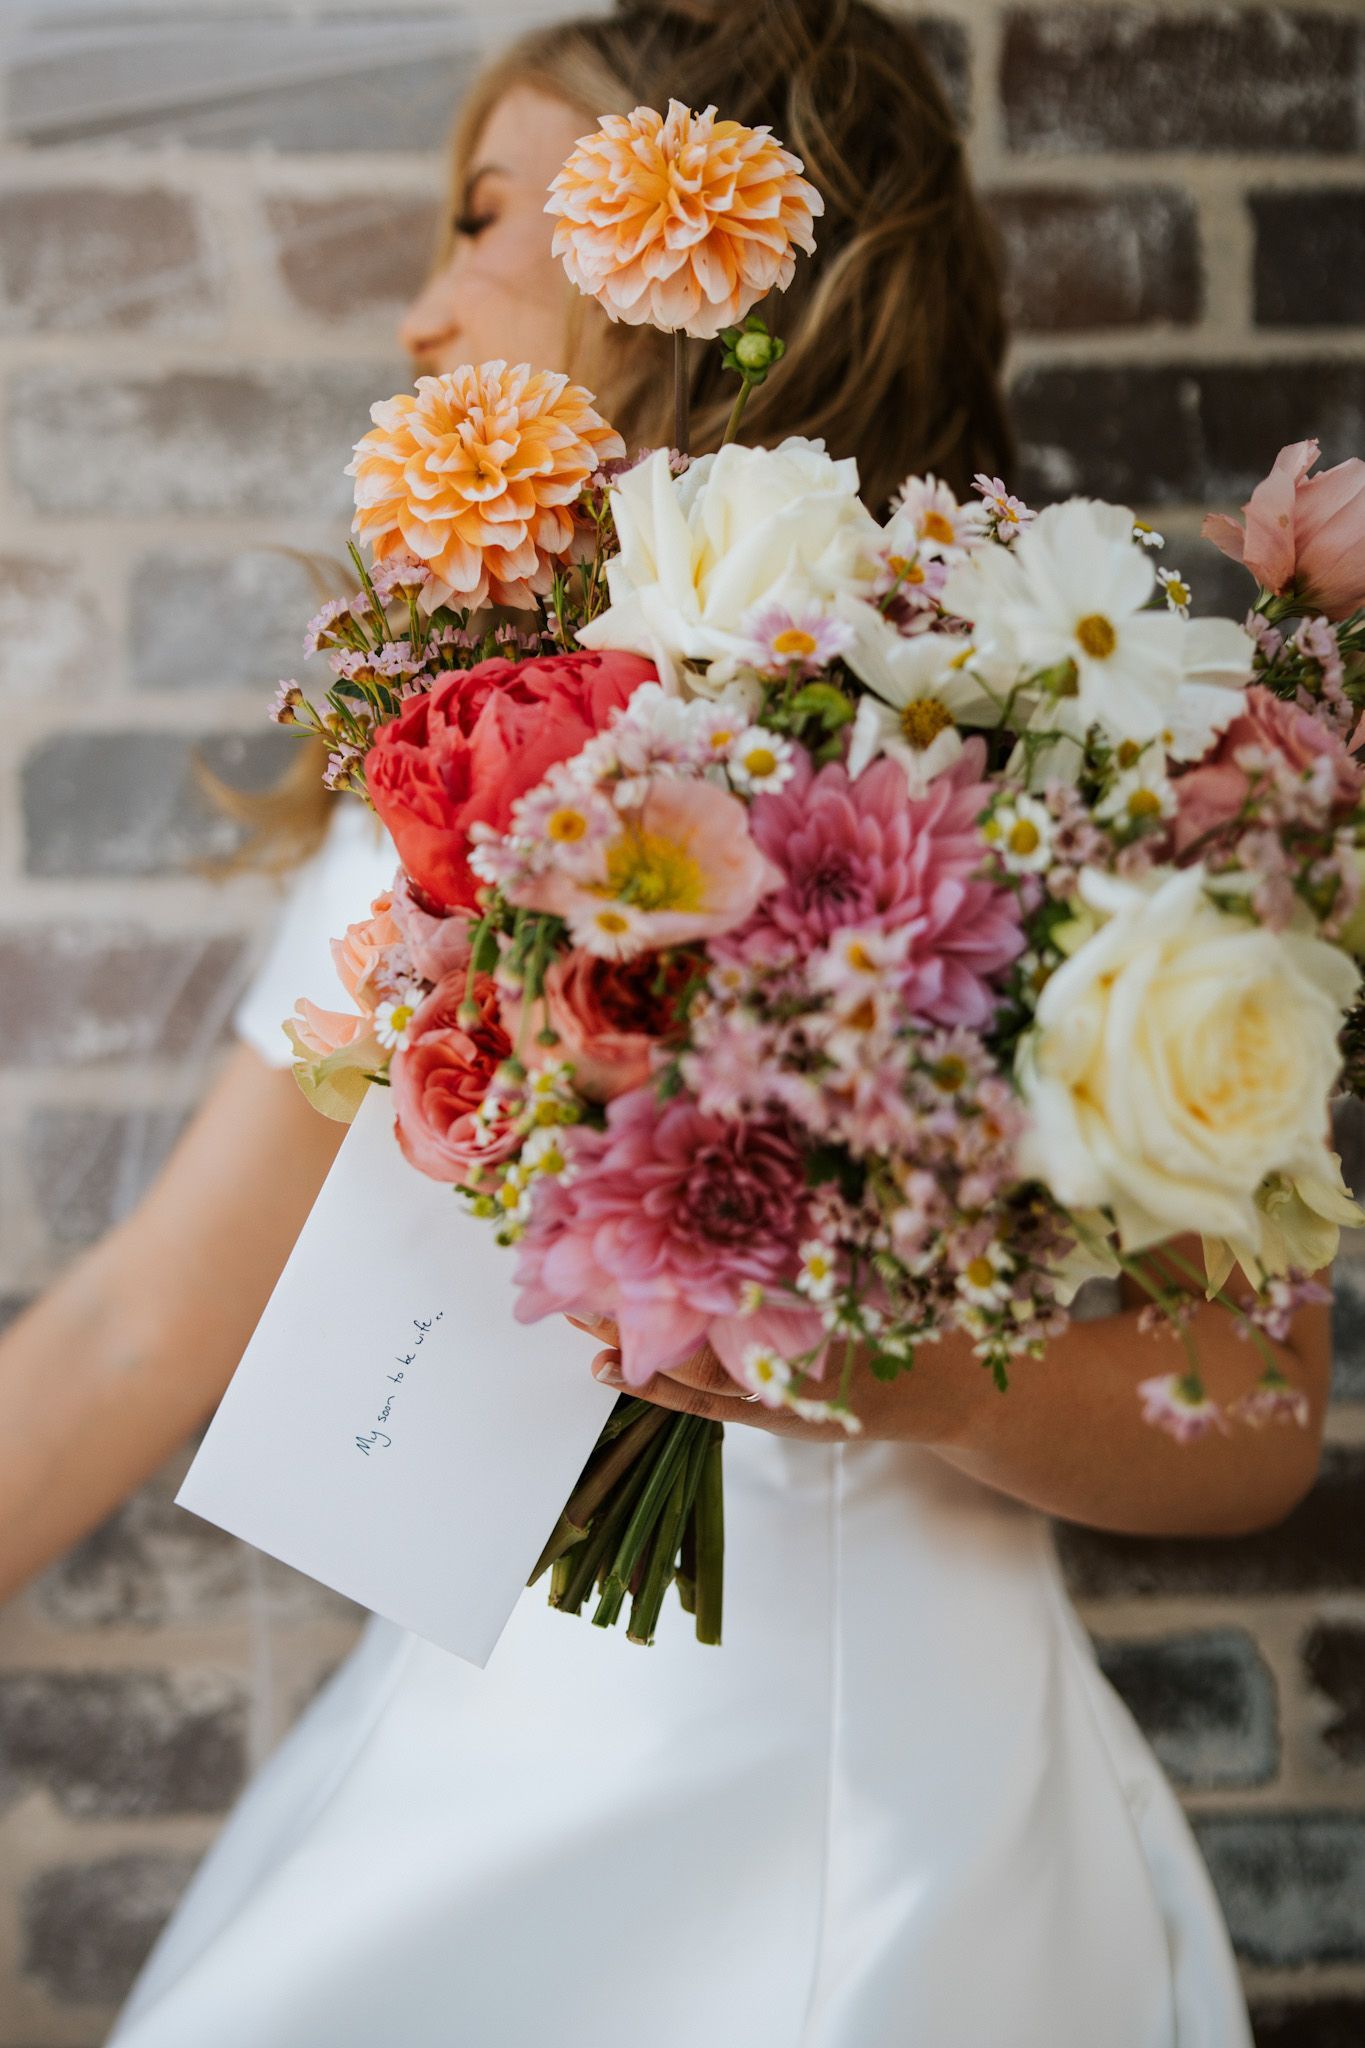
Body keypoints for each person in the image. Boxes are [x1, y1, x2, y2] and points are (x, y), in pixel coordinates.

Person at [0, 2, 1327, 2042]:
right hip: (485, 1754)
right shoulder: (457, 786)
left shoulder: (1066, 763)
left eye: (479, 221)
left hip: (895, 1816)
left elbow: (1248, 1424)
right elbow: (139, 1320)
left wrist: (915, 1387)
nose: (425, 314)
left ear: (703, 273)